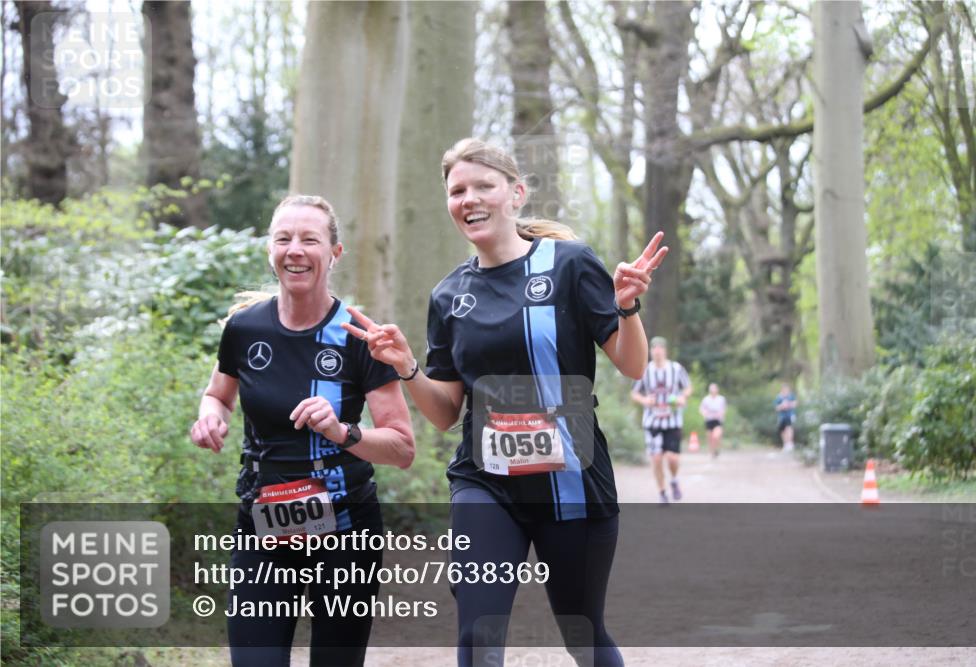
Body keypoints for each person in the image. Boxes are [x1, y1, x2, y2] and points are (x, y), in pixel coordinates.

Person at [341, 137, 666, 667]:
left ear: (514, 194)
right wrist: (406, 369)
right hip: (485, 482)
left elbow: (633, 366)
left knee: (583, 634)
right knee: (478, 632)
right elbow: (446, 413)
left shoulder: (570, 264)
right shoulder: (449, 296)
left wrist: (627, 309)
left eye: (482, 186)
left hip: (572, 479)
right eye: (456, 190)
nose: (468, 198)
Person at [190, 194, 415, 667]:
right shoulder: (245, 328)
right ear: (270, 251)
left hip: (346, 530)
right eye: (283, 238)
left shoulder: (357, 335)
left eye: (309, 239)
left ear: (334, 253)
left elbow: (401, 448)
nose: (295, 249)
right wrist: (211, 416)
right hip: (264, 527)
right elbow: (218, 394)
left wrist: (342, 432)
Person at [629, 337, 692, 503]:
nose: (657, 351)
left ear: (665, 351)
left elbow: (687, 388)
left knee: (672, 458)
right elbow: (634, 393)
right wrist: (645, 401)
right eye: (654, 348)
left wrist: (681, 398)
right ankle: (662, 492)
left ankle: (674, 480)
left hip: (673, 420)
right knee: (656, 458)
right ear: (650, 351)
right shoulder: (645, 371)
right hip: (652, 422)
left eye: (660, 348)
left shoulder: (676, 369)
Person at [699, 383, 727, 459]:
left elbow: (724, 409)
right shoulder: (706, 399)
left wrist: (721, 414)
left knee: (716, 436)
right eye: (712, 389)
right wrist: (704, 413)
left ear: (717, 390)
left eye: (714, 389)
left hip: (718, 420)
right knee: (710, 437)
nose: (713, 390)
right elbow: (701, 408)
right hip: (709, 420)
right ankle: (712, 451)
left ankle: (716, 449)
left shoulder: (721, 399)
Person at [775, 383, 797, 452]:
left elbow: (795, 404)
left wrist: (788, 404)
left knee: (789, 428)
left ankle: (790, 443)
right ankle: (785, 444)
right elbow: (777, 408)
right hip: (782, 416)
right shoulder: (779, 397)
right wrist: (782, 406)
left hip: (789, 415)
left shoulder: (791, 396)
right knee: (782, 430)